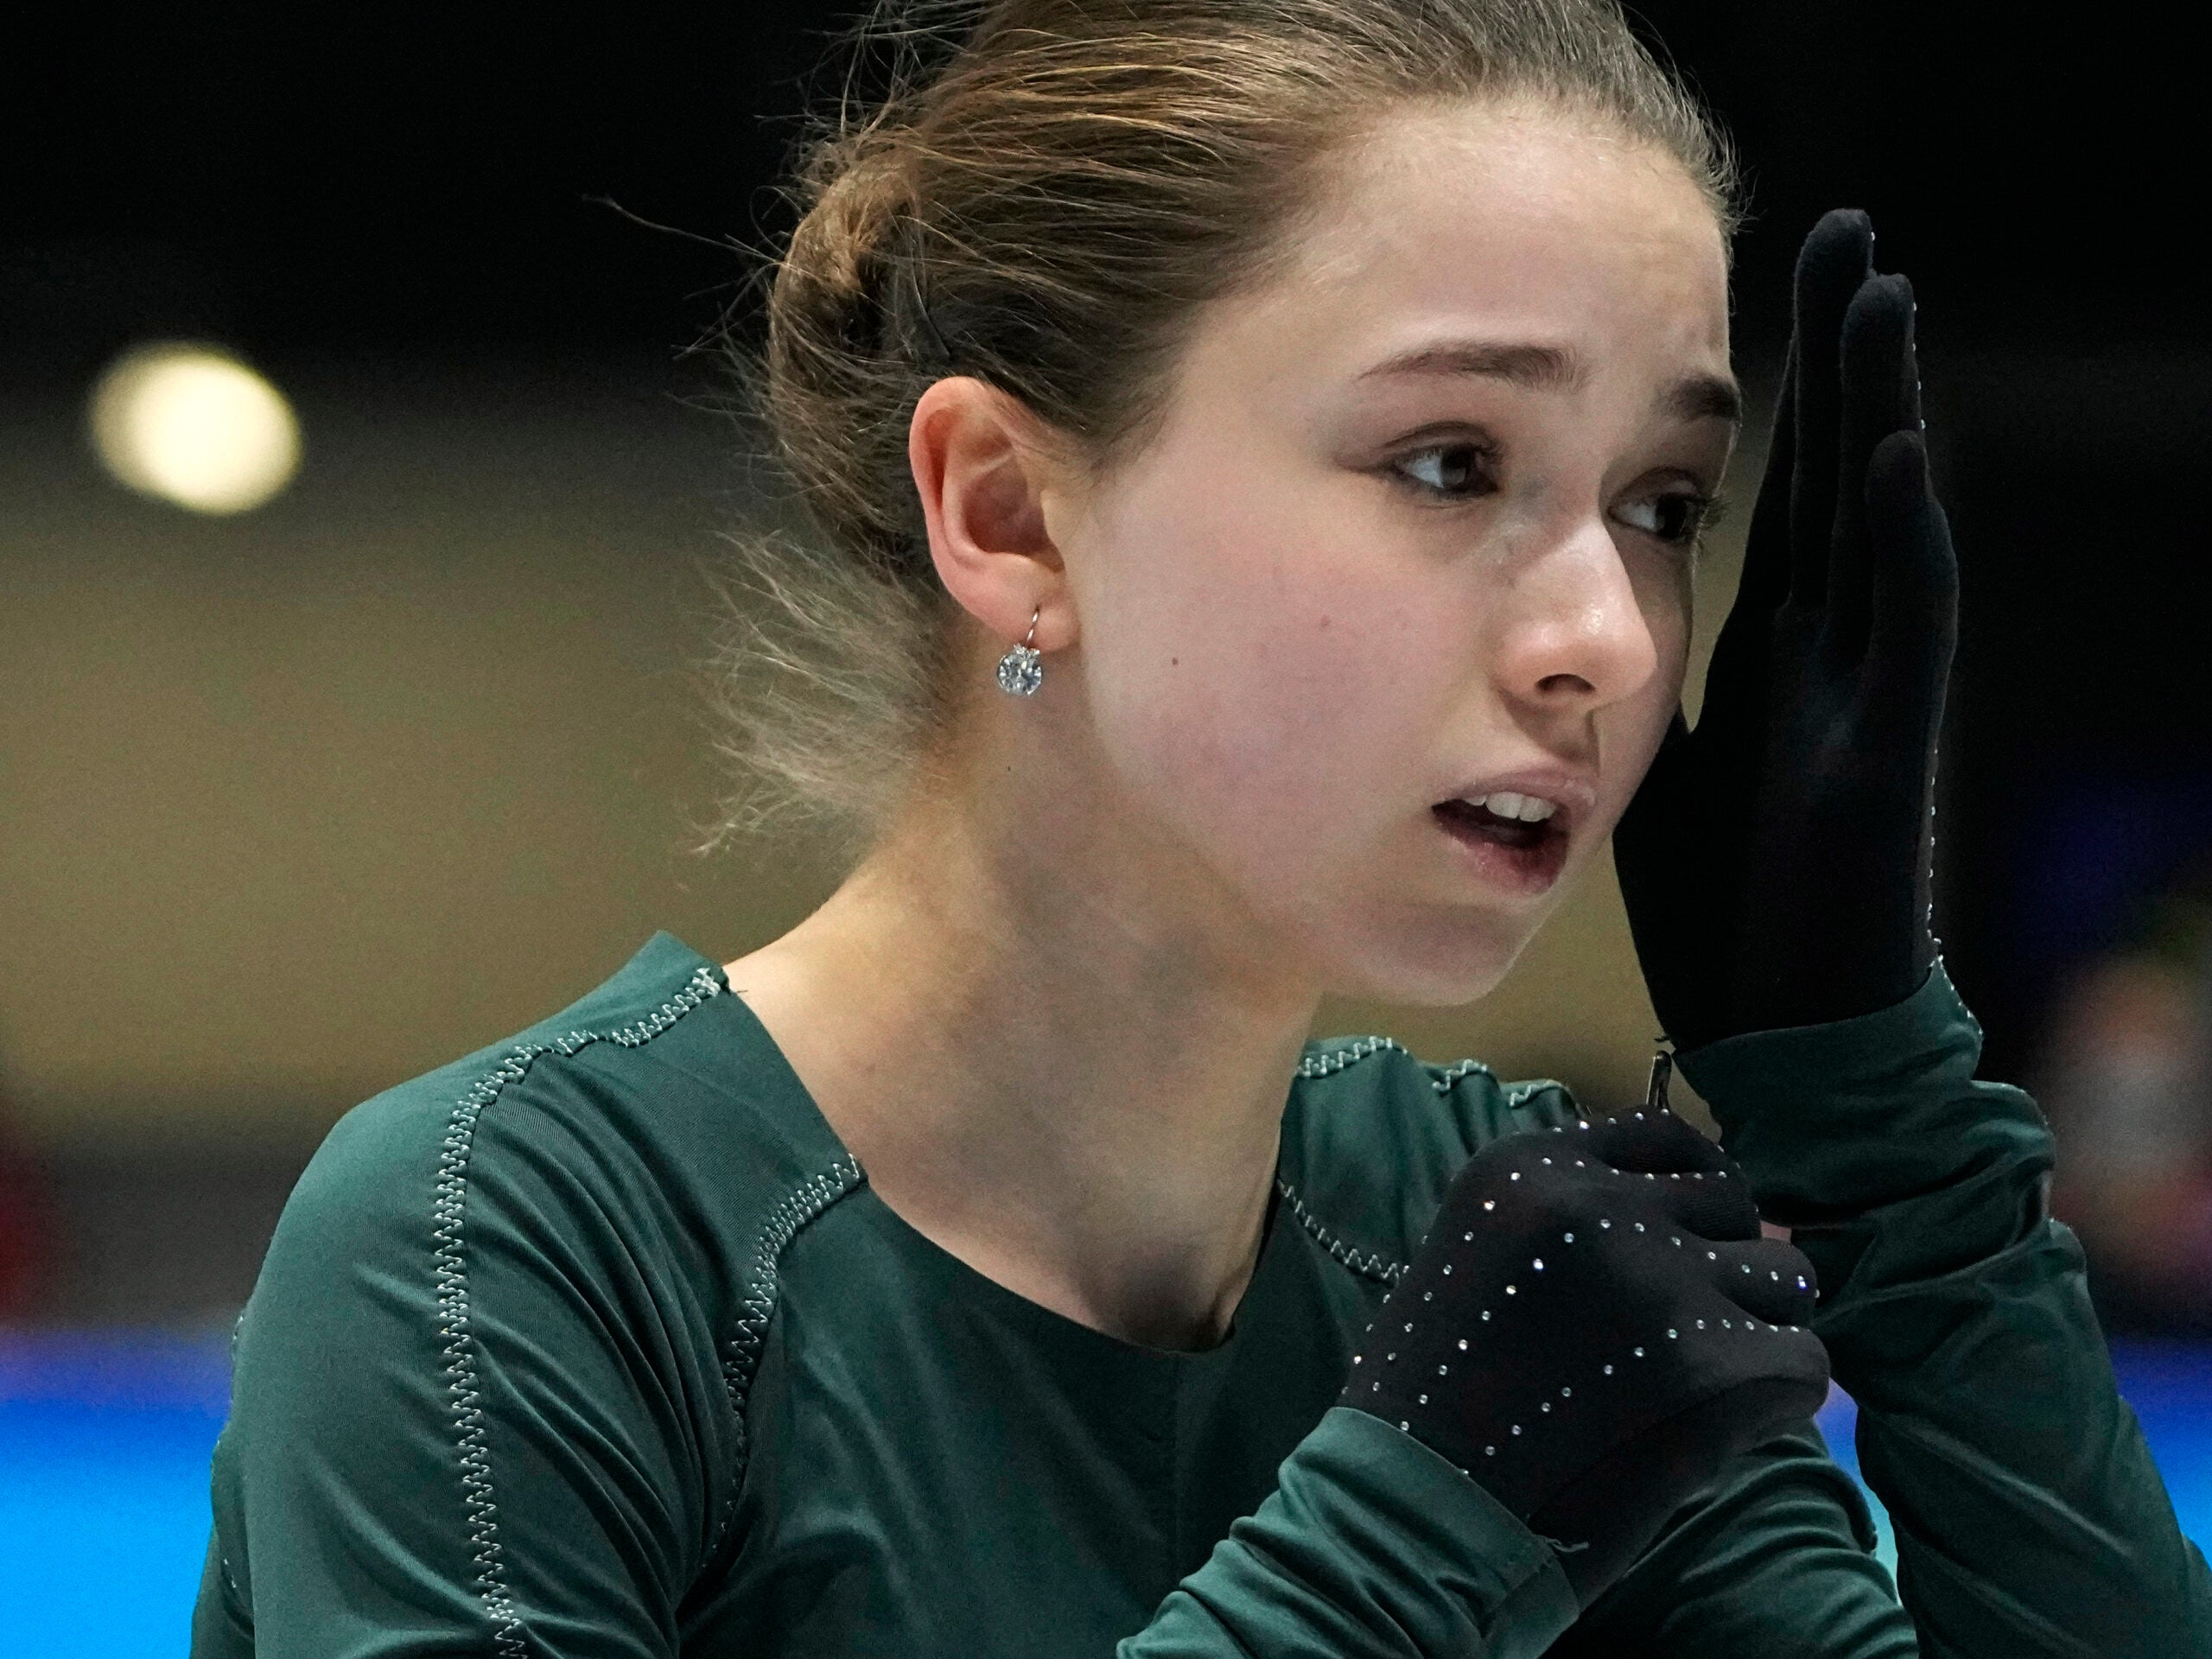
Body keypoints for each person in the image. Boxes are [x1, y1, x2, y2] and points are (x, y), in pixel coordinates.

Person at [190, 1, 2211, 1654]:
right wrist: (1412, 1533)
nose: (1606, 636)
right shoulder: (516, 1242)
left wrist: (1873, 1114)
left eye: (1660, 503)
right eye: (1449, 462)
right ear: (1007, 515)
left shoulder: (1480, 1230)